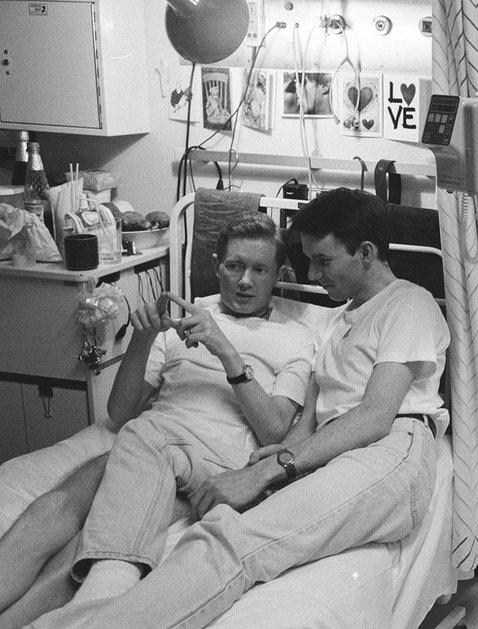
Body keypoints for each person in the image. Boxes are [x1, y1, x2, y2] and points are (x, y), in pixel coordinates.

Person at [31, 187, 449, 628]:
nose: (312, 272)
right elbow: (316, 410)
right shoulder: (342, 319)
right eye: (307, 259)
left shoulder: (409, 303)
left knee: (236, 541)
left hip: (390, 444)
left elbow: (375, 415)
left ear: (365, 252)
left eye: (323, 261)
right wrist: (281, 454)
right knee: (217, 531)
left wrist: (270, 470)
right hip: (333, 452)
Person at [0, 213, 314, 626]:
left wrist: (228, 354)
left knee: (144, 436)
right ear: (217, 263)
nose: (244, 281)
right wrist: (143, 340)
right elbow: (120, 412)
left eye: (260, 270)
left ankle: (96, 604)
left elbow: (276, 429)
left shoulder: (296, 336)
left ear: (279, 275)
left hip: (215, 462)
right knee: (57, 505)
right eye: (234, 266)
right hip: (147, 445)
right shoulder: (183, 321)